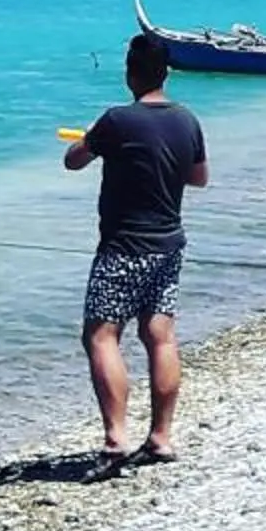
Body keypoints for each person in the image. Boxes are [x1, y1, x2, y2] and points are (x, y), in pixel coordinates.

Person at [62, 33, 208, 472]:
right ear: (166, 73)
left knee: (101, 335)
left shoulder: (117, 120)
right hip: (169, 243)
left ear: (130, 74)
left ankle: (116, 439)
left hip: (123, 246)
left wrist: (92, 138)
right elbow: (198, 178)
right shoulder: (187, 120)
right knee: (159, 335)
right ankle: (161, 438)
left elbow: (73, 160)